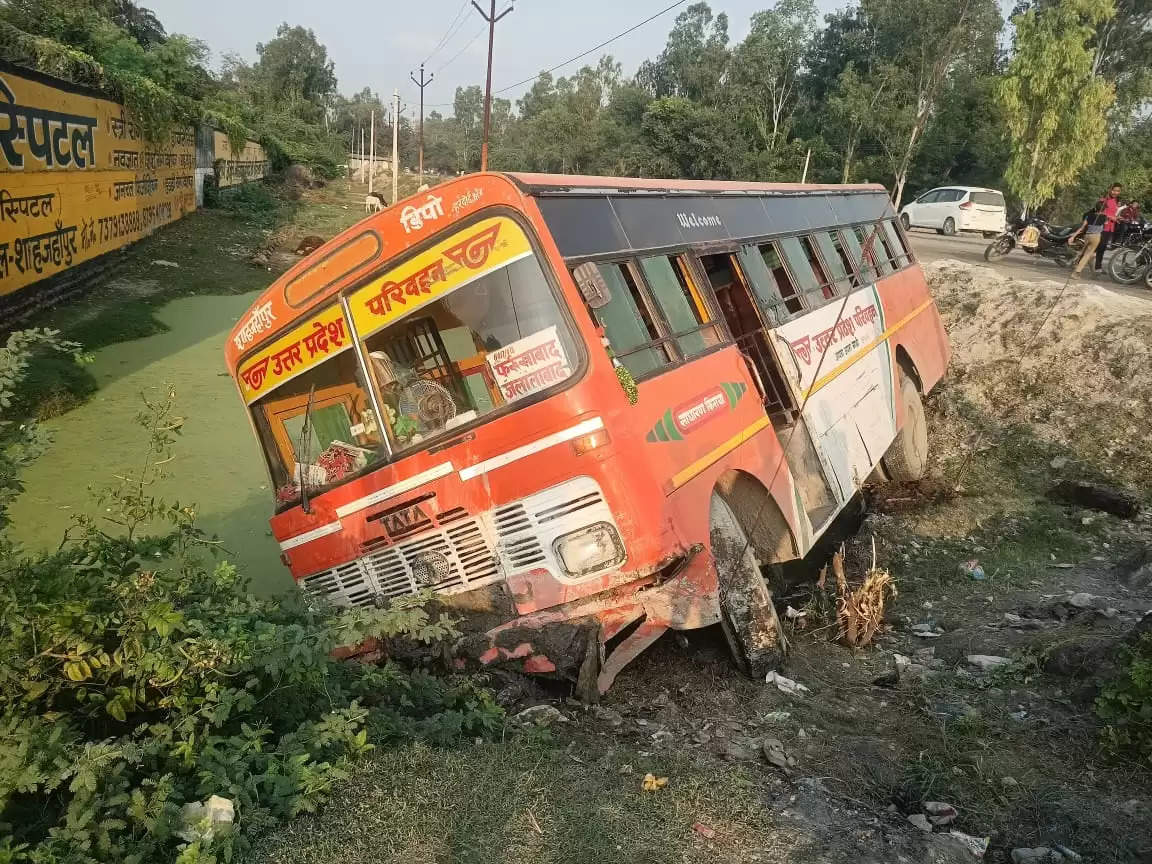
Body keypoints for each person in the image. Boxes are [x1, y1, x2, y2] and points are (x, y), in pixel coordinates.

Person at [1095, 183, 1123, 270]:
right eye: (1114, 190)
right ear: (1110, 189)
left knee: (1102, 248)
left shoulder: (1116, 201)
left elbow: (1113, 213)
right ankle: (1095, 266)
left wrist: (1118, 218)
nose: (1115, 192)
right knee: (1099, 246)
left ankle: (1098, 267)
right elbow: (1099, 212)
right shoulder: (1104, 200)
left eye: (1118, 191)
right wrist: (1111, 217)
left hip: (1111, 227)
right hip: (1102, 226)